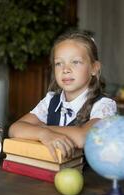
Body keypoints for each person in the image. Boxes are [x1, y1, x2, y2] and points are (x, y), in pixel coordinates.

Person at [8, 30, 117, 162]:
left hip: (89, 180)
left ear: (94, 68)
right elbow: (14, 129)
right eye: (59, 63)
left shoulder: (104, 105)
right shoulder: (51, 101)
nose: (65, 69)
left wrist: (38, 129)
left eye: (75, 62)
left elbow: (83, 138)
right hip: (51, 174)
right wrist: (44, 134)